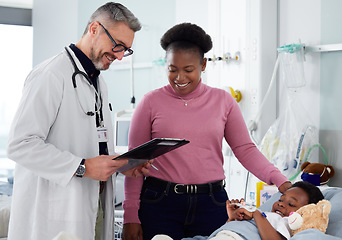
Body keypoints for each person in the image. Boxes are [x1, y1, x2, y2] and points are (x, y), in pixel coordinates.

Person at [122, 22, 292, 240]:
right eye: (172, 70)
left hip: (211, 203)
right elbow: (134, 163)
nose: (179, 78)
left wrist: (280, 180)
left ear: (203, 65)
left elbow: (245, 149)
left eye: (188, 70)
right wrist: (130, 216)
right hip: (160, 202)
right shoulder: (150, 102)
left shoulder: (223, 101)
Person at [6, 2, 148, 240]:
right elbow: (20, 144)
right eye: (118, 46)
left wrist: (121, 167)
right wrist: (82, 166)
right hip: (56, 212)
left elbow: (93, 145)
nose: (120, 56)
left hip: (96, 205)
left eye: (126, 50)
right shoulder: (50, 75)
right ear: (94, 28)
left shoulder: (98, 81)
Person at [153, 181, 324, 240]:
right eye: (281, 200)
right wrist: (232, 219)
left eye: (291, 204)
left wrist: (256, 213)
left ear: (304, 212)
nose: (281, 204)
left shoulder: (286, 222)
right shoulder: (268, 215)